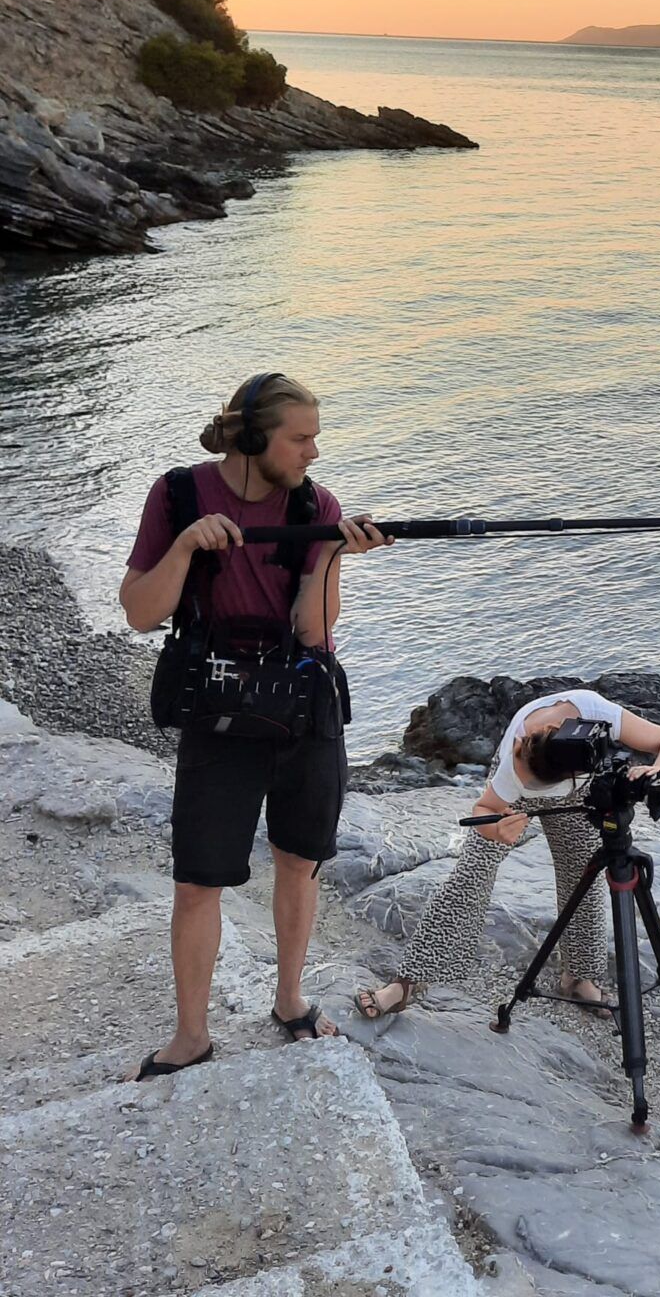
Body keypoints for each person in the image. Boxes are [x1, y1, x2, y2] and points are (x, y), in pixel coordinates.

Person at [120, 373, 392, 1080]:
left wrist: (333, 552)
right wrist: (184, 548)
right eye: (301, 438)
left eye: (315, 437)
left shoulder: (315, 505)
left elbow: (313, 628)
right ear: (250, 437)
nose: (313, 452)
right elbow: (141, 613)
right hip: (217, 709)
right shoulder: (177, 493)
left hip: (303, 705)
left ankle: (291, 1000)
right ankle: (189, 1037)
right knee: (198, 880)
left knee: (300, 861)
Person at [355, 687, 660, 1019]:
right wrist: (496, 829)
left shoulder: (594, 712)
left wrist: (657, 769)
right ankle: (407, 982)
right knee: (472, 874)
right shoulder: (514, 763)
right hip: (514, 800)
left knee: (581, 871)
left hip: (580, 791)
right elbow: (485, 808)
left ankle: (578, 976)